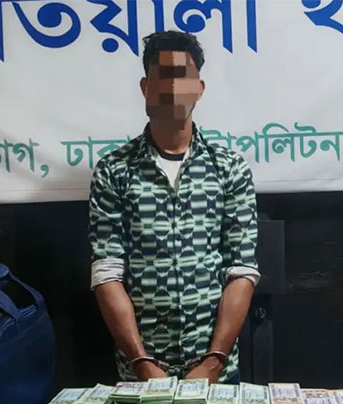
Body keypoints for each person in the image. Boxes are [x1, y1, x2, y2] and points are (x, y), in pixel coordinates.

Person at [88, 31, 259, 385]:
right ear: (145, 86)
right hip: (140, 373)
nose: (173, 86)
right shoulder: (114, 171)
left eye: (183, 75)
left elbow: (241, 270)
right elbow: (107, 274)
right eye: (163, 75)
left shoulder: (229, 168)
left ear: (200, 88)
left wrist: (213, 363)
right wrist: (141, 362)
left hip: (217, 372)